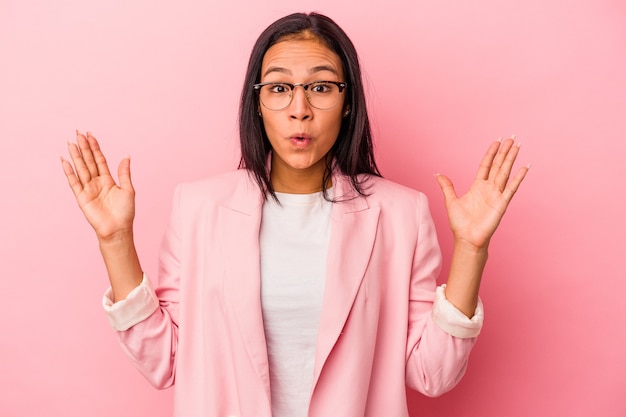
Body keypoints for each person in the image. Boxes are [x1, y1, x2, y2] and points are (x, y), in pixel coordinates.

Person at [61, 12, 528, 417]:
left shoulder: (400, 214)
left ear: (347, 104)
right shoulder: (199, 208)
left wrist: (471, 248)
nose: (299, 110)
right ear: (258, 101)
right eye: (280, 88)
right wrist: (115, 241)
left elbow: (432, 374)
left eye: (321, 87)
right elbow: (164, 361)